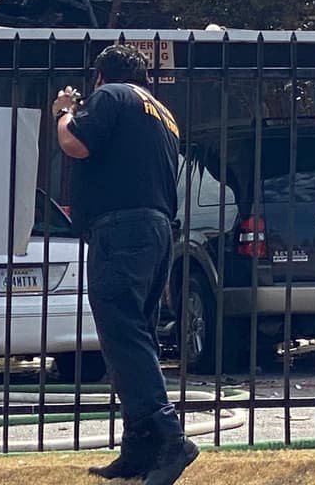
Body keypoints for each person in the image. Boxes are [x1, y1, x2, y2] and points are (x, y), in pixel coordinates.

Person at [52, 43, 197, 485]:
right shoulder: (161, 112)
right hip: (155, 230)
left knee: (122, 335)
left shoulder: (113, 95)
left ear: (100, 76)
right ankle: (138, 450)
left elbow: (75, 144)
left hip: (120, 231)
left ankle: (170, 437)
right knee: (138, 337)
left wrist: (62, 111)